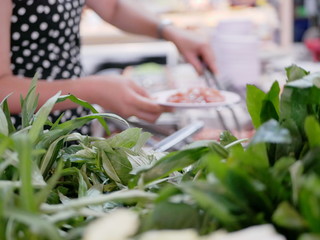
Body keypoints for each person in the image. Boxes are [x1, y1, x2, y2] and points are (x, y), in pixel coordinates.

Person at [0, 0, 216, 135]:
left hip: (68, 129)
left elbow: (112, 7)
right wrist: (94, 90)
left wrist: (169, 31)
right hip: (20, 141)